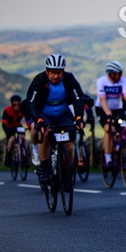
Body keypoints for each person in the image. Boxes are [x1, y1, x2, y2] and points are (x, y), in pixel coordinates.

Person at [22, 54, 86, 188]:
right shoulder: (39, 80)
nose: (56, 76)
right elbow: (31, 104)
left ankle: (66, 173)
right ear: (47, 71)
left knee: (69, 145)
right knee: (44, 134)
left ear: (63, 72)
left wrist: (79, 117)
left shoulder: (69, 79)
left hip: (63, 115)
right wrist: (38, 120)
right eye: (53, 73)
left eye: (59, 72)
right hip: (45, 115)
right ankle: (45, 168)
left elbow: (78, 99)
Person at [94, 61, 126, 169]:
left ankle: (122, 153)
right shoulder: (102, 81)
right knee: (108, 130)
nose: (121, 76)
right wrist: (109, 115)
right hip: (102, 109)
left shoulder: (123, 81)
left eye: (121, 73)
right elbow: (102, 99)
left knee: (125, 129)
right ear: (111, 74)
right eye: (119, 73)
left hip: (117, 110)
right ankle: (108, 158)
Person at [1, 95, 28, 166]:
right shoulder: (7, 110)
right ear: (12, 104)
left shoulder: (22, 110)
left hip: (17, 125)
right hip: (9, 126)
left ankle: (24, 157)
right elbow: (4, 122)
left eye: (18, 104)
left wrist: (29, 127)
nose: (16, 106)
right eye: (14, 104)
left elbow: (26, 119)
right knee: (11, 139)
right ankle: (8, 159)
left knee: (23, 139)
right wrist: (8, 132)